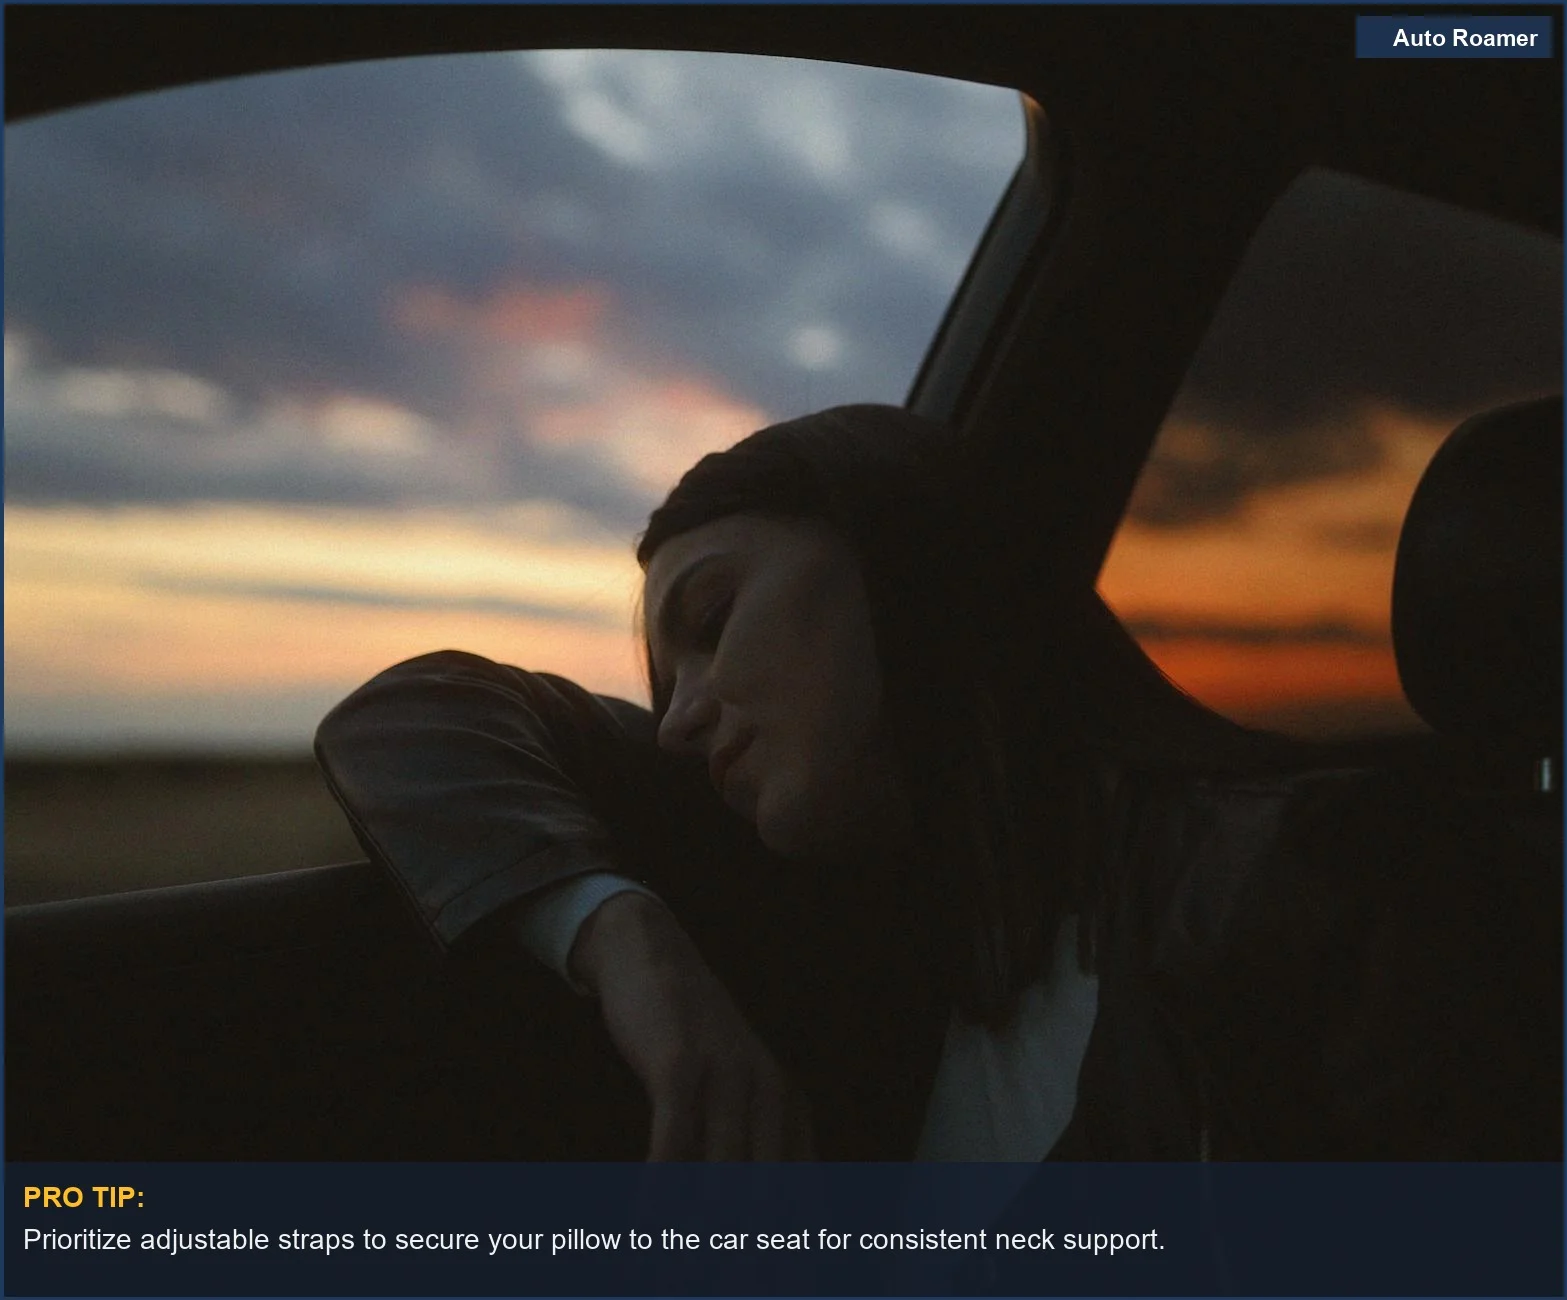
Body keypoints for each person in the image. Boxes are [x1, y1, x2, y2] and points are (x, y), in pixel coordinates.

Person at [316, 404, 1557, 1162]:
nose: (682, 720)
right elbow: (417, 711)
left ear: (903, 565)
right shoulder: (854, 920)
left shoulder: (1307, 884)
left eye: (711, 619)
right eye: (660, 676)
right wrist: (634, 950)